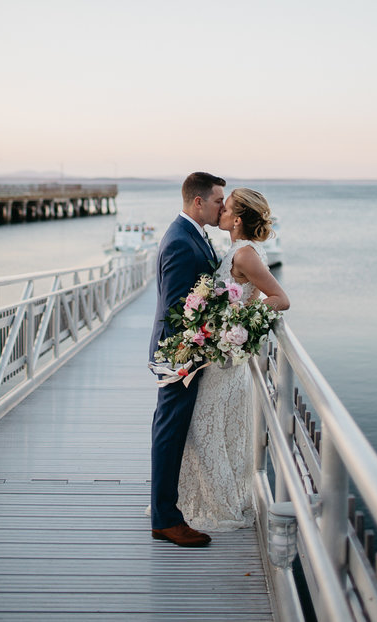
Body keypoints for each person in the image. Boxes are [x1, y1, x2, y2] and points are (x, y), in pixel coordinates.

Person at [175, 187, 290, 532]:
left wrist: (237, 320)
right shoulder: (237, 250)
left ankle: (221, 507)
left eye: (226, 209)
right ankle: (208, 501)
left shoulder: (245, 255)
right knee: (215, 432)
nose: (220, 211)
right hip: (220, 359)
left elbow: (280, 299)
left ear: (236, 220)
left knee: (203, 432)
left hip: (225, 362)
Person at [148, 171, 226, 547]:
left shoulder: (192, 234)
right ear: (198, 201)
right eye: (217, 201)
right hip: (178, 353)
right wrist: (191, 355)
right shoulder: (180, 241)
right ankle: (165, 519)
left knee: (171, 428)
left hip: (184, 352)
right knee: (169, 432)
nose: (223, 206)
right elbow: (179, 309)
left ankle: (167, 512)